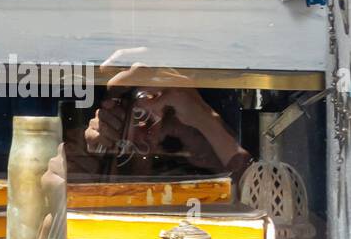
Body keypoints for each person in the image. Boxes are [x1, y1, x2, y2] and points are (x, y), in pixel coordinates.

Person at [68, 64, 253, 182]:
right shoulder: (86, 154)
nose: (144, 122)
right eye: (125, 105)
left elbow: (256, 190)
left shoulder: (191, 145)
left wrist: (204, 123)